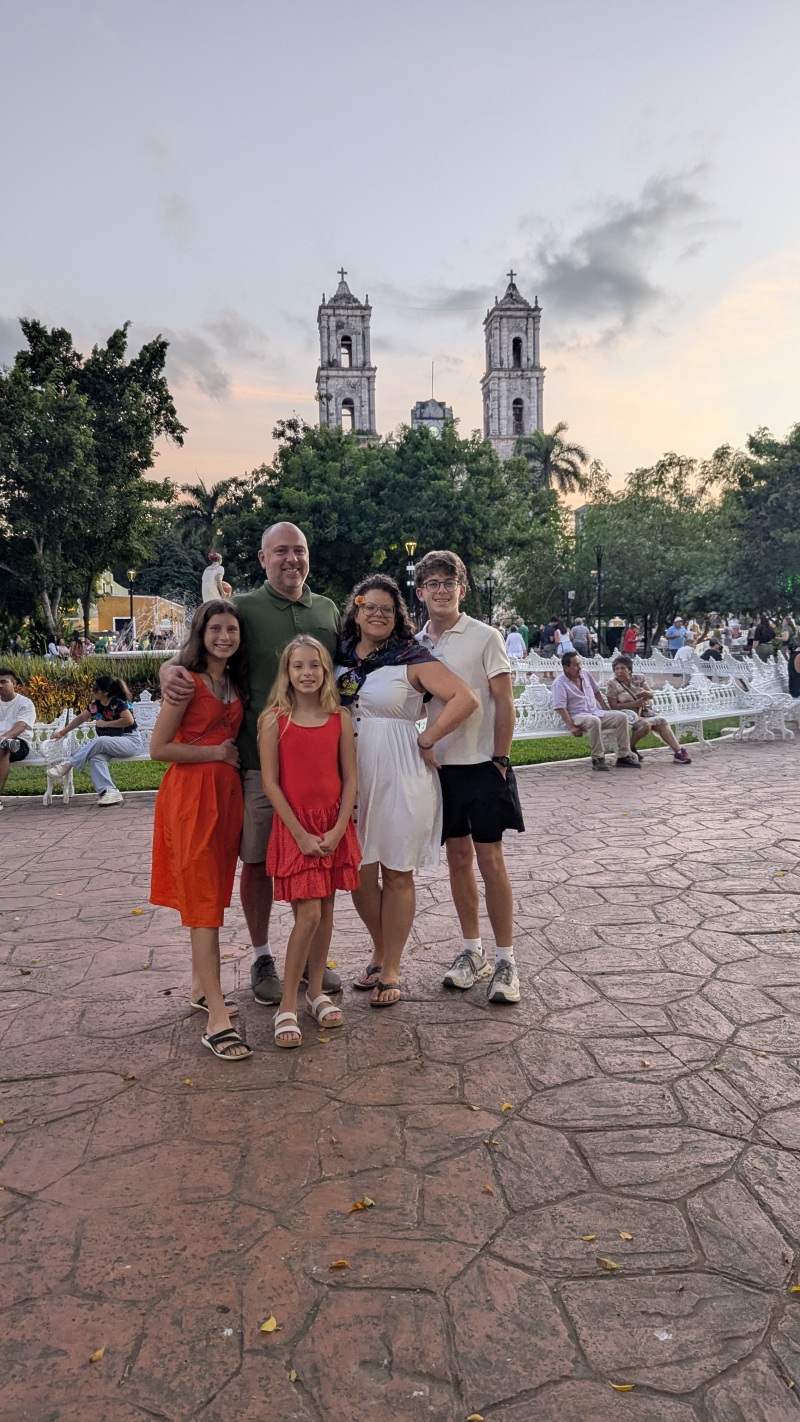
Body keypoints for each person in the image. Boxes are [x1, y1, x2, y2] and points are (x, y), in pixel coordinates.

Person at [159, 522, 341, 1009]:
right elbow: (200, 646)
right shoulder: (242, 609)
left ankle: (312, 957)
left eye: (299, 550)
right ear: (263, 558)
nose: (291, 559)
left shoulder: (327, 609)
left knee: (317, 858)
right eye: (280, 551)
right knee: (258, 861)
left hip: (317, 766)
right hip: (259, 764)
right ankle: (262, 956)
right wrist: (167, 669)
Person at [337, 574, 478, 1007]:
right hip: (351, 773)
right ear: (356, 611)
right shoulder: (340, 656)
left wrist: (427, 737)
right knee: (359, 871)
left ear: (397, 615)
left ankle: (392, 966)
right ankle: (380, 948)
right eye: (369, 607)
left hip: (400, 771)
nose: (377, 614)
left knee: (397, 871)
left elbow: (464, 698)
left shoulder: (411, 657)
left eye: (387, 608)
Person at [415, 550, 525, 1005]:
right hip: (442, 768)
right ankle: (472, 951)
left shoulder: (485, 636)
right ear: (420, 592)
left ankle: (506, 959)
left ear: (462, 589)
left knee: (490, 859)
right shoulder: (416, 643)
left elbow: (503, 700)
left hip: (483, 763)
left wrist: (501, 757)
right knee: (458, 859)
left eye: (449, 582)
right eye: (433, 583)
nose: (441, 590)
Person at [150, 600, 251, 1061]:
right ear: (200, 633)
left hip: (225, 800)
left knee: (213, 892)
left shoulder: (232, 680)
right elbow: (159, 748)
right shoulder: (185, 681)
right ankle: (217, 1020)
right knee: (203, 903)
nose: (224, 637)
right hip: (192, 799)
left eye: (231, 629)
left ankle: (199, 988)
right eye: (215, 629)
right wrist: (215, 753)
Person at [260, 636, 360, 1047]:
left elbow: (350, 779)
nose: (307, 673)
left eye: (314, 665)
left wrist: (338, 829)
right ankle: (287, 1002)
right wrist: (300, 834)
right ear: (287, 672)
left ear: (325, 671)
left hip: (333, 827)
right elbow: (270, 783)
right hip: (296, 829)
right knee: (309, 914)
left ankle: (315, 991)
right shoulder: (274, 720)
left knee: (327, 910)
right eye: (298, 666)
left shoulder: (340, 718)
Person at [47, 674, 144, 805]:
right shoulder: (96, 705)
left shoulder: (117, 703)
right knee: (95, 758)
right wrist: (62, 732)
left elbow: (129, 720)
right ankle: (109, 792)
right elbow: (81, 718)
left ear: (106, 692)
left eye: (96, 688)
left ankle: (69, 764)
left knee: (101, 741)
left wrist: (105, 724)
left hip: (130, 742)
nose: (92, 691)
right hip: (112, 743)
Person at [551, 651, 640, 772]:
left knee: (621, 717)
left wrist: (604, 707)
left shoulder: (585, 674)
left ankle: (623, 756)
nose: (580, 667)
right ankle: (598, 758)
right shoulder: (559, 683)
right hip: (578, 717)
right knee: (594, 721)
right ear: (566, 668)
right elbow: (560, 707)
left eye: (580, 664)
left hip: (595, 712)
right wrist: (571, 726)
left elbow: (596, 692)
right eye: (576, 665)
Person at [606, 655, 691, 764]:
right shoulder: (612, 684)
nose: (619, 672)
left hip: (643, 712)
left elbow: (651, 694)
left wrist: (646, 693)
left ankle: (679, 752)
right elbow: (613, 706)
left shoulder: (638, 678)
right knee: (645, 726)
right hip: (626, 715)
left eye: (623, 668)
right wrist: (634, 703)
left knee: (661, 722)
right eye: (616, 669)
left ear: (629, 670)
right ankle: (629, 748)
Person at [0, 668, 35, 805]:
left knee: (3, 749)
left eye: (4, 682)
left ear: (14, 683)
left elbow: (21, 726)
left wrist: (3, 738)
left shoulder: (25, 703)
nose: (0, 685)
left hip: (19, 742)